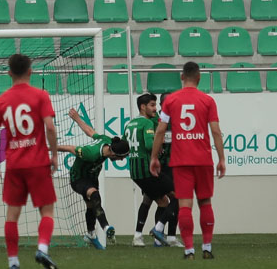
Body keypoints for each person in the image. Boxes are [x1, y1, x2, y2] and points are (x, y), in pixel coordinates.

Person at [0, 54, 59, 269]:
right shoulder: (40, 95)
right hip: (38, 163)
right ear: (30, 71)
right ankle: (42, 249)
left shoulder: (1, 101)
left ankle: (13, 261)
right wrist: (53, 154)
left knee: (12, 214)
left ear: (9, 73)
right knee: (47, 211)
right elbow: (51, 128)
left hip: (14, 165)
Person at [149, 61, 226, 260]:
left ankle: (189, 250)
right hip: (203, 160)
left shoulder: (171, 100)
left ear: (182, 77)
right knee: (205, 202)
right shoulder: (208, 101)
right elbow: (216, 131)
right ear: (199, 78)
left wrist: (154, 157)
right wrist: (222, 158)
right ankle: (207, 247)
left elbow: (160, 130)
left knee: (184, 205)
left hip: (181, 160)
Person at [60, 108, 129, 250]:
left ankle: (91, 234)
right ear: (113, 153)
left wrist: (77, 118)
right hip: (78, 178)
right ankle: (106, 227)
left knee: (91, 205)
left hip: (92, 177)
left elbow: (90, 132)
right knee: (94, 195)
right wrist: (48, 148)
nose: (122, 160)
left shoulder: (107, 141)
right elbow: (70, 148)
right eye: (121, 157)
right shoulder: (90, 154)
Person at [124, 93, 180, 248]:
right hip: (156, 167)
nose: (155, 108)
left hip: (166, 166)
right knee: (174, 198)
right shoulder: (152, 121)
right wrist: (159, 141)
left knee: (161, 201)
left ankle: (162, 237)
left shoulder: (178, 120)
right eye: (153, 105)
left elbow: (125, 144)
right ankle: (158, 232)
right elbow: (150, 144)